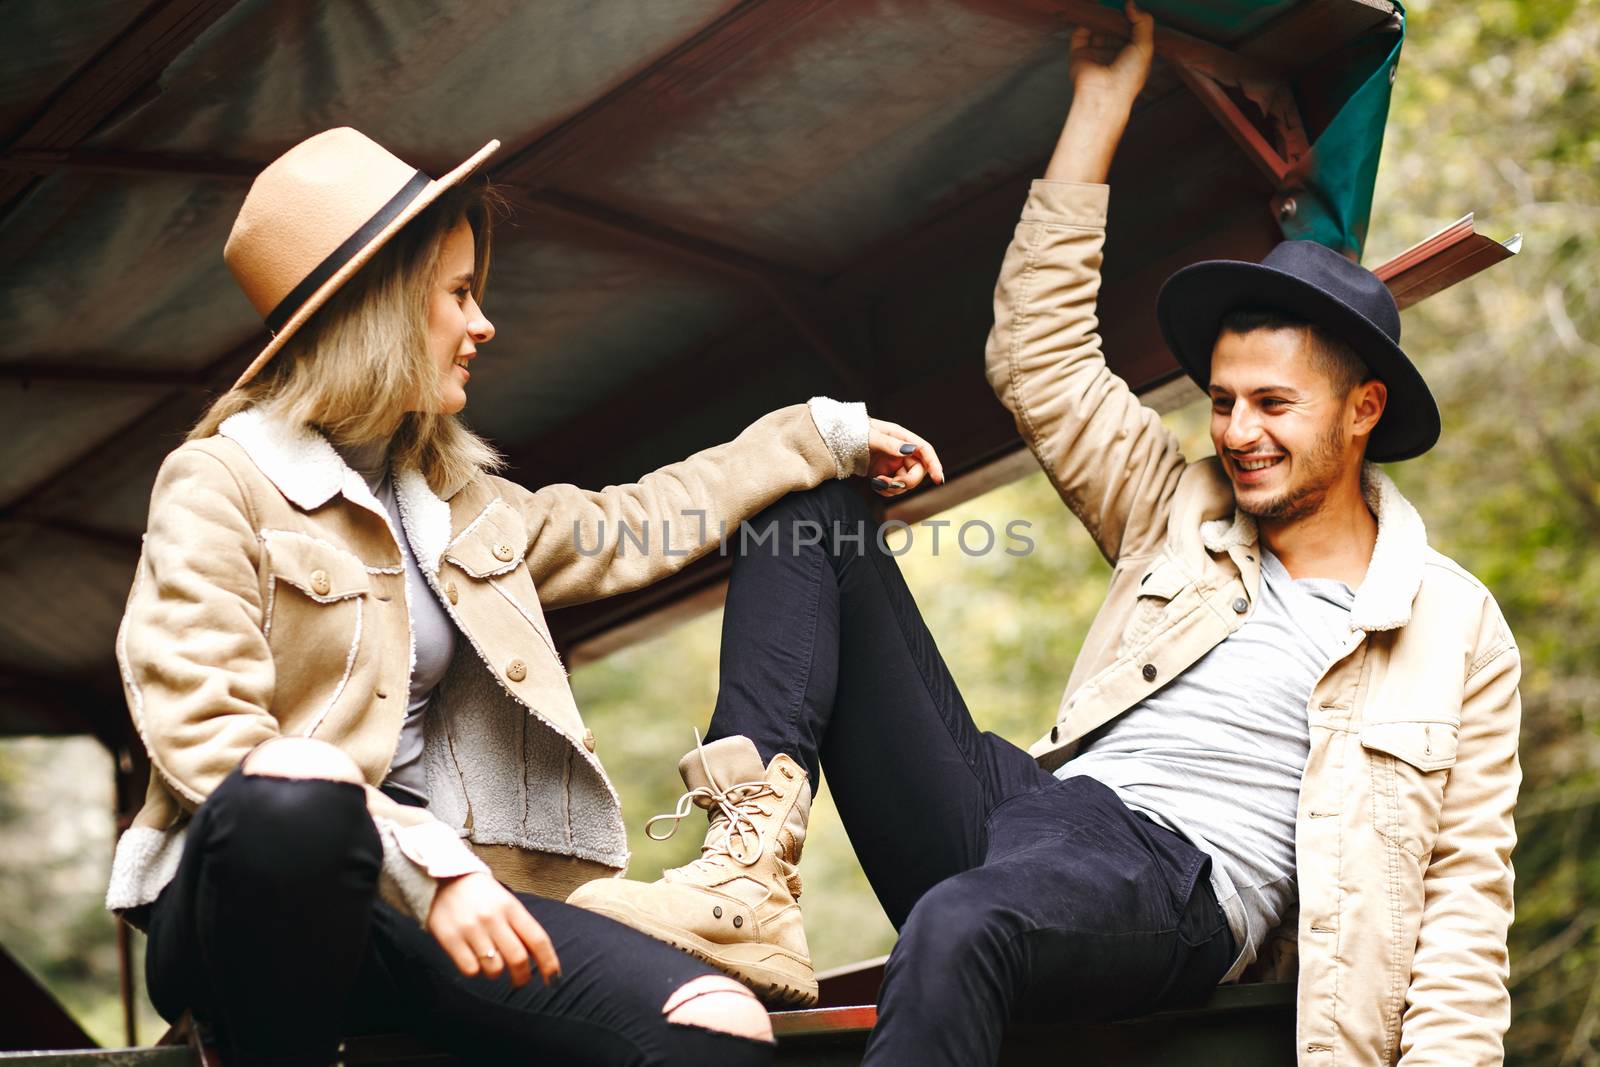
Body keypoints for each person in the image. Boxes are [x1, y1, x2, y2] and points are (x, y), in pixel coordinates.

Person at [567, 4, 1524, 1064]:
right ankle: (746, 866)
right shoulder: (1180, 507)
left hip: (1177, 882)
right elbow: (1038, 358)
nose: (1237, 432)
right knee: (807, 502)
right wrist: (1099, 107)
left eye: (1272, 404)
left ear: (1363, 411)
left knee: (963, 923)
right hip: (1036, 814)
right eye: (1221, 400)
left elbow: (1463, 902)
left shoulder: (1448, 626)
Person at [103, 125, 944, 1066]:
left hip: (457, 916)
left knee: (719, 1024)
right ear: (380, 307)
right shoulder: (218, 482)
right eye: (459, 294)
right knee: (298, 793)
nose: (483, 323)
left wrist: (819, 439)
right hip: (259, 910)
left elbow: (635, 521)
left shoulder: (459, 500)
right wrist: (432, 868)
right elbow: (207, 737)